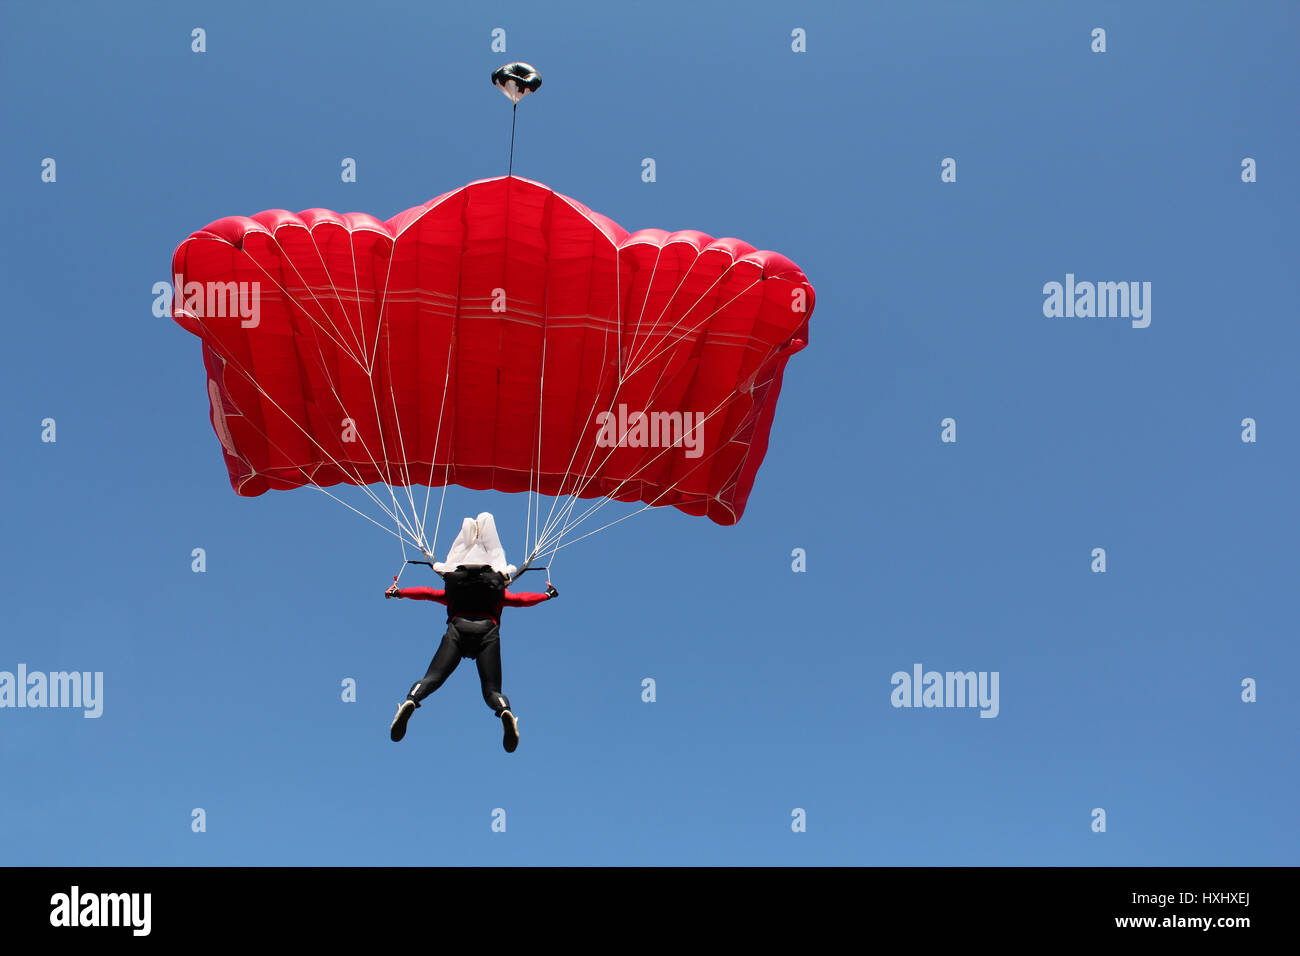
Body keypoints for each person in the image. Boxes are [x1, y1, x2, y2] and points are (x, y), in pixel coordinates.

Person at [386, 563, 556, 751]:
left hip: (458, 630)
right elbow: (522, 599)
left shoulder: (453, 594)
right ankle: (504, 710)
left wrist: (399, 592)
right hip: (487, 633)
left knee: (433, 678)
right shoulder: (499, 595)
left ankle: (411, 700)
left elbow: (426, 593)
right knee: (491, 691)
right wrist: (546, 595)